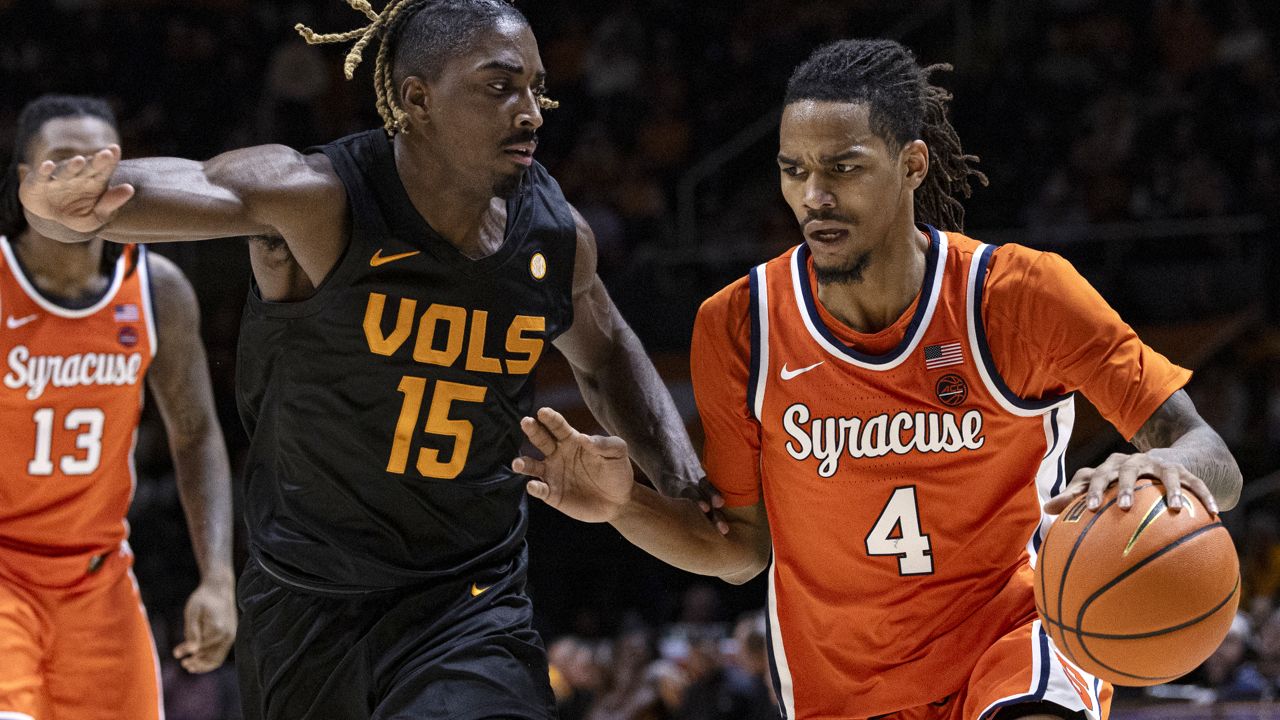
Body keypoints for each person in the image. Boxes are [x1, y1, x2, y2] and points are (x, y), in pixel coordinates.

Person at [18, 2, 715, 719]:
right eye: (501, 86)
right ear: (416, 98)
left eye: (538, 88)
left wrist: (680, 476)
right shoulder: (320, 200)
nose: (532, 111)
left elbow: (604, 355)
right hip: (307, 598)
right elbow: (205, 185)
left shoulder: (553, 233)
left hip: (469, 598)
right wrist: (62, 205)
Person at [513, 39, 1244, 720]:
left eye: (844, 167)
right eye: (794, 170)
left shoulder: (1022, 296)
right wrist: (622, 508)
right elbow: (740, 550)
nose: (813, 197)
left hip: (1017, 640)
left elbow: (1213, 456)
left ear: (912, 164)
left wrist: (1164, 465)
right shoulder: (741, 325)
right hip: (840, 685)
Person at [0, 95, 236, 720]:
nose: (81, 178)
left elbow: (196, 435)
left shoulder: (158, 289)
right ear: (26, 183)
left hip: (99, 580)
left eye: (98, 164)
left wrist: (217, 576)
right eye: (60, 163)